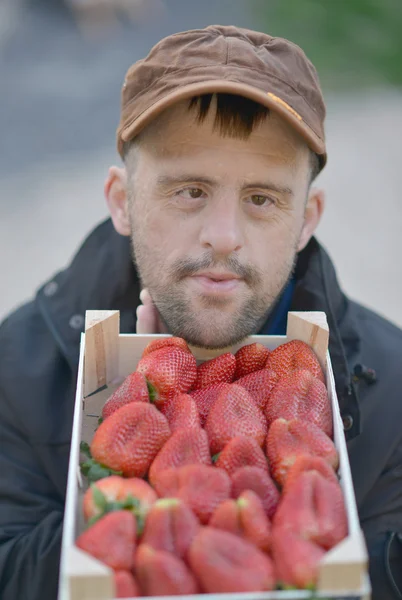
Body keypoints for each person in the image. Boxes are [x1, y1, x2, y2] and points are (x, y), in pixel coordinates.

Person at [0, 25, 401, 600]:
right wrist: (125, 444)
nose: (223, 237)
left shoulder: (393, 388)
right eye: (189, 190)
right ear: (123, 201)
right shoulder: (18, 365)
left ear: (307, 217)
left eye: (262, 199)